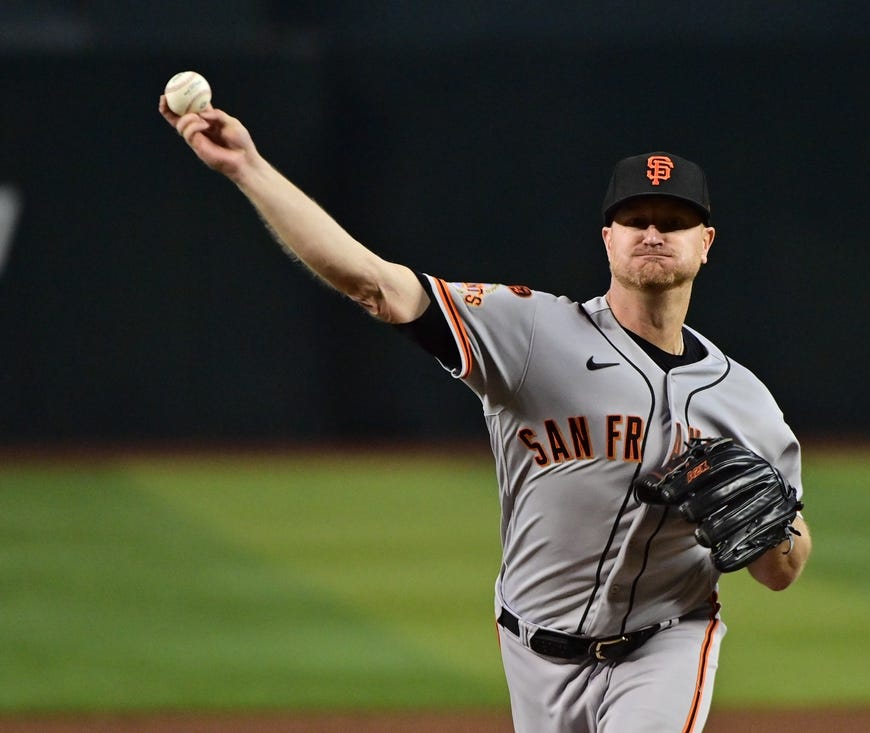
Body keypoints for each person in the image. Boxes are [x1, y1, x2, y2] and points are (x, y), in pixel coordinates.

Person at [160, 96, 812, 733]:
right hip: (533, 648)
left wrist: (776, 535)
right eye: (635, 216)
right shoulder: (531, 332)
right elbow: (376, 285)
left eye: (672, 220)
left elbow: (784, 566)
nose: (652, 232)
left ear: (706, 242)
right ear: (607, 237)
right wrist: (248, 168)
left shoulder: (745, 399)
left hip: (667, 641)